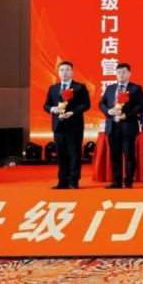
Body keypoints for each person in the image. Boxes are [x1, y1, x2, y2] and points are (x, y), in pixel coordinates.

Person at [43, 61, 90, 189]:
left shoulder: (80, 87)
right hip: (58, 126)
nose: (64, 72)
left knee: (74, 154)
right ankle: (62, 181)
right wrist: (52, 109)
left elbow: (86, 105)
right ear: (58, 72)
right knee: (61, 154)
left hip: (74, 126)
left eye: (67, 70)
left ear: (72, 72)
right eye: (62, 70)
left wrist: (72, 112)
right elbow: (46, 105)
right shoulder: (53, 88)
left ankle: (73, 181)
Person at [99, 63, 143, 188]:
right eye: (119, 72)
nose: (121, 75)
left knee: (129, 155)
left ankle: (129, 180)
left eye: (124, 72)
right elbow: (102, 104)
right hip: (113, 126)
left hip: (128, 126)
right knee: (115, 155)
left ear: (129, 73)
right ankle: (117, 181)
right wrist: (108, 111)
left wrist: (127, 115)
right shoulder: (110, 88)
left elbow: (141, 106)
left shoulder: (136, 88)